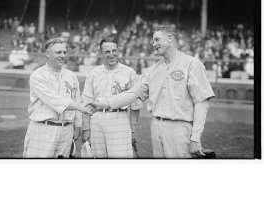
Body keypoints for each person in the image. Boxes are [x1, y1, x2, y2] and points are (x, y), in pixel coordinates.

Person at [91, 26, 215, 158]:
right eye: (153, 41)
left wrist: (195, 137)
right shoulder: (152, 70)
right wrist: (104, 103)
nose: (153, 44)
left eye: (157, 39)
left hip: (180, 129)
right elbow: (132, 94)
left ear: (170, 38)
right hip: (156, 127)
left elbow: (202, 102)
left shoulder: (192, 64)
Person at [23, 37, 93, 158]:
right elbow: (55, 101)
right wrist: (82, 108)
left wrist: (77, 126)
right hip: (43, 129)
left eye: (64, 52)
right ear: (47, 53)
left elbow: (77, 99)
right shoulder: (38, 75)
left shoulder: (71, 76)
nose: (62, 55)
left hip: (66, 130)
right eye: (58, 52)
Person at [82, 37, 142, 158]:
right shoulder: (93, 73)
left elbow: (136, 105)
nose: (111, 54)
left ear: (118, 51)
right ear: (101, 53)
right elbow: (86, 102)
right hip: (97, 119)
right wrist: (86, 128)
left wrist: (133, 130)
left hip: (119, 118)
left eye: (114, 50)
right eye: (107, 52)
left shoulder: (129, 72)